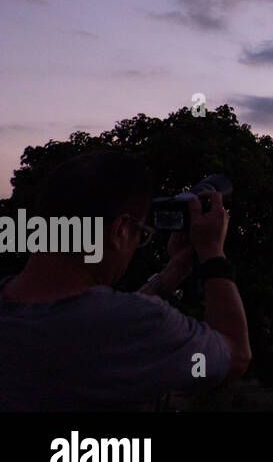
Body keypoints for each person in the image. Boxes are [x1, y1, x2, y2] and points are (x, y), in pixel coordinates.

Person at [0, 150, 252, 409]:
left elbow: (100, 319)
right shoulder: (135, 324)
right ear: (119, 230)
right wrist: (212, 253)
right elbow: (235, 355)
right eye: (141, 235)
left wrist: (173, 272)